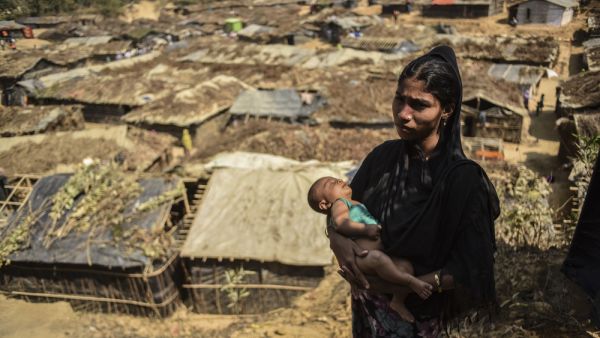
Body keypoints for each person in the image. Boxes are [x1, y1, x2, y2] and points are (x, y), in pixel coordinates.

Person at [327, 45, 500, 337]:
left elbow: (472, 266)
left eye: (418, 104)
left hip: (420, 320)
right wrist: (336, 239)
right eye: (399, 99)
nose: (403, 114)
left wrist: (403, 286)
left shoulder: (463, 182)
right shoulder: (383, 158)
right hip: (368, 312)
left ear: (447, 109)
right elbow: (341, 203)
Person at [308, 176, 433, 322]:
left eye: (337, 178)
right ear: (324, 204)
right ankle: (411, 282)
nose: (340, 180)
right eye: (332, 183)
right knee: (379, 259)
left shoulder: (352, 203)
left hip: (377, 253)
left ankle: (398, 301)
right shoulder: (339, 204)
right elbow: (341, 223)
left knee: (405, 266)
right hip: (363, 257)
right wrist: (365, 230)